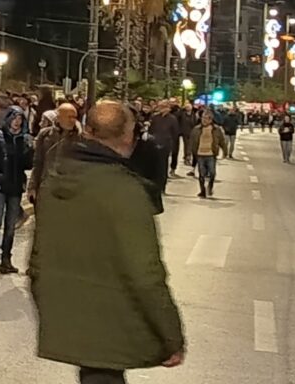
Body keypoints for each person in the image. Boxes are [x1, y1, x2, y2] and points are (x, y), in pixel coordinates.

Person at [30, 101, 185, 383]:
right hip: (114, 320)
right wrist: (171, 335)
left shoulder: (55, 180)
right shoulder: (126, 191)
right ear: (127, 137)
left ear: (88, 131)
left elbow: (38, 258)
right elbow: (146, 274)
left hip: (70, 312)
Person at [0, 105, 33, 274]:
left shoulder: (23, 140)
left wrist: (29, 150)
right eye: (14, 118)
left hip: (15, 186)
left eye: (20, 119)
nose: (17, 122)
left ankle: (6, 259)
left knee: (10, 225)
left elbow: (28, 165)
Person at [28, 102, 80, 204]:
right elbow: (38, 162)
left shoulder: (81, 137)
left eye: (74, 117)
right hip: (47, 186)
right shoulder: (45, 135)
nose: (72, 120)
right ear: (58, 118)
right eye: (69, 117)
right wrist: (32, 187)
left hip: (71, 189)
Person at [189, 110, 228, 199]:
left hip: (211, 154)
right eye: (203, 118)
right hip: (200, 154)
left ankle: (210, 187)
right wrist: (188, 153)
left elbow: (222, 141)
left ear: (211, 120)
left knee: (212, 173)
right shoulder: (196, 129)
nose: (204, 120)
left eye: (206, 119)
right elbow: (191, 141)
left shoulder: (216, 130)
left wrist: (225, 152)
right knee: (201, 174)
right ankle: (202, 191)